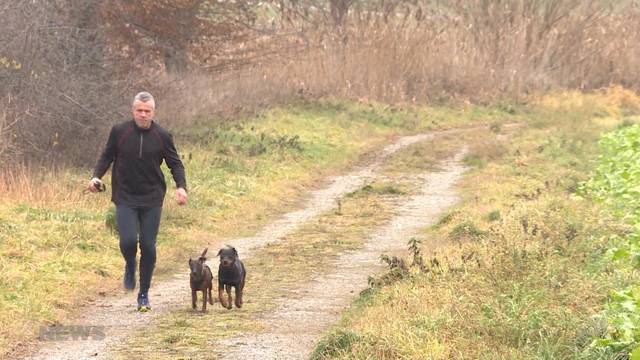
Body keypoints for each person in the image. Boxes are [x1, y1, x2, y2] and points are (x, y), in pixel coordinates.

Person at [87, 91, 187, 311]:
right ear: (133, 111)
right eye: (139, 111)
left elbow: (175, 163)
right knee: (128, 241)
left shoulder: (162, 135)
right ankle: (130, 264)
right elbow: (106, 156)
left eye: (147, 111)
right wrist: (96, 176)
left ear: (153, 112)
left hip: (152, 197)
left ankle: (144, 294)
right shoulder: (119, 132)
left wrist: (181, 187)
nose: (143, 115)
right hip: (125, 195)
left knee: (149, 246)